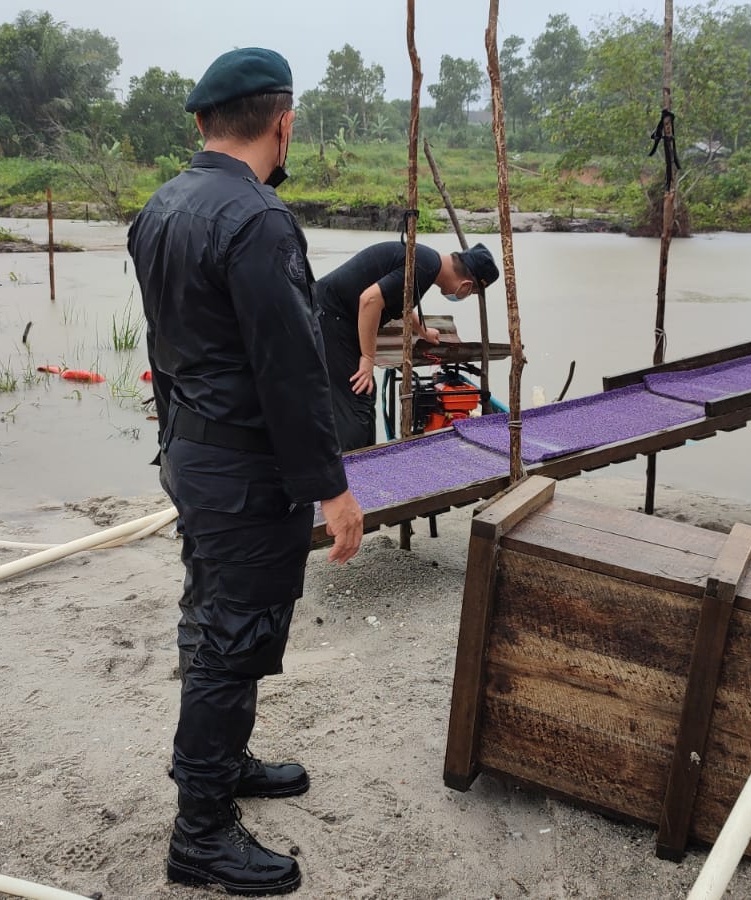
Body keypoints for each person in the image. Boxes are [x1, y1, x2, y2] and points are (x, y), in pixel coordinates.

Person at [127, 47, 363, 896]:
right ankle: (200, 835)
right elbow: (291, 371)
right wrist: (333, 488)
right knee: (232, 639)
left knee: (213, 616)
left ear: (200, 123)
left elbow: (168, 348)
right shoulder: (258, 220)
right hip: (242, 468)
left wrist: (178, 448)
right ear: (282, 121)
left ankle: (222, 767)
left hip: (193, 454)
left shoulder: (162, 206)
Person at [314, 239, 501, 450]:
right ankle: (347, 471)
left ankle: (359, 463)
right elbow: (370, 300)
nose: (467, 295)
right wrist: (367, 357)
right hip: (330, 317)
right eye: (472, 292)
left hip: (335, 316)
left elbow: (398, 300)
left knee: (363, 398)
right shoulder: (424, 267)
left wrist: (422, 330)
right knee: (355, 403)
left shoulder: (427, 264)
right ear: (466, 285)